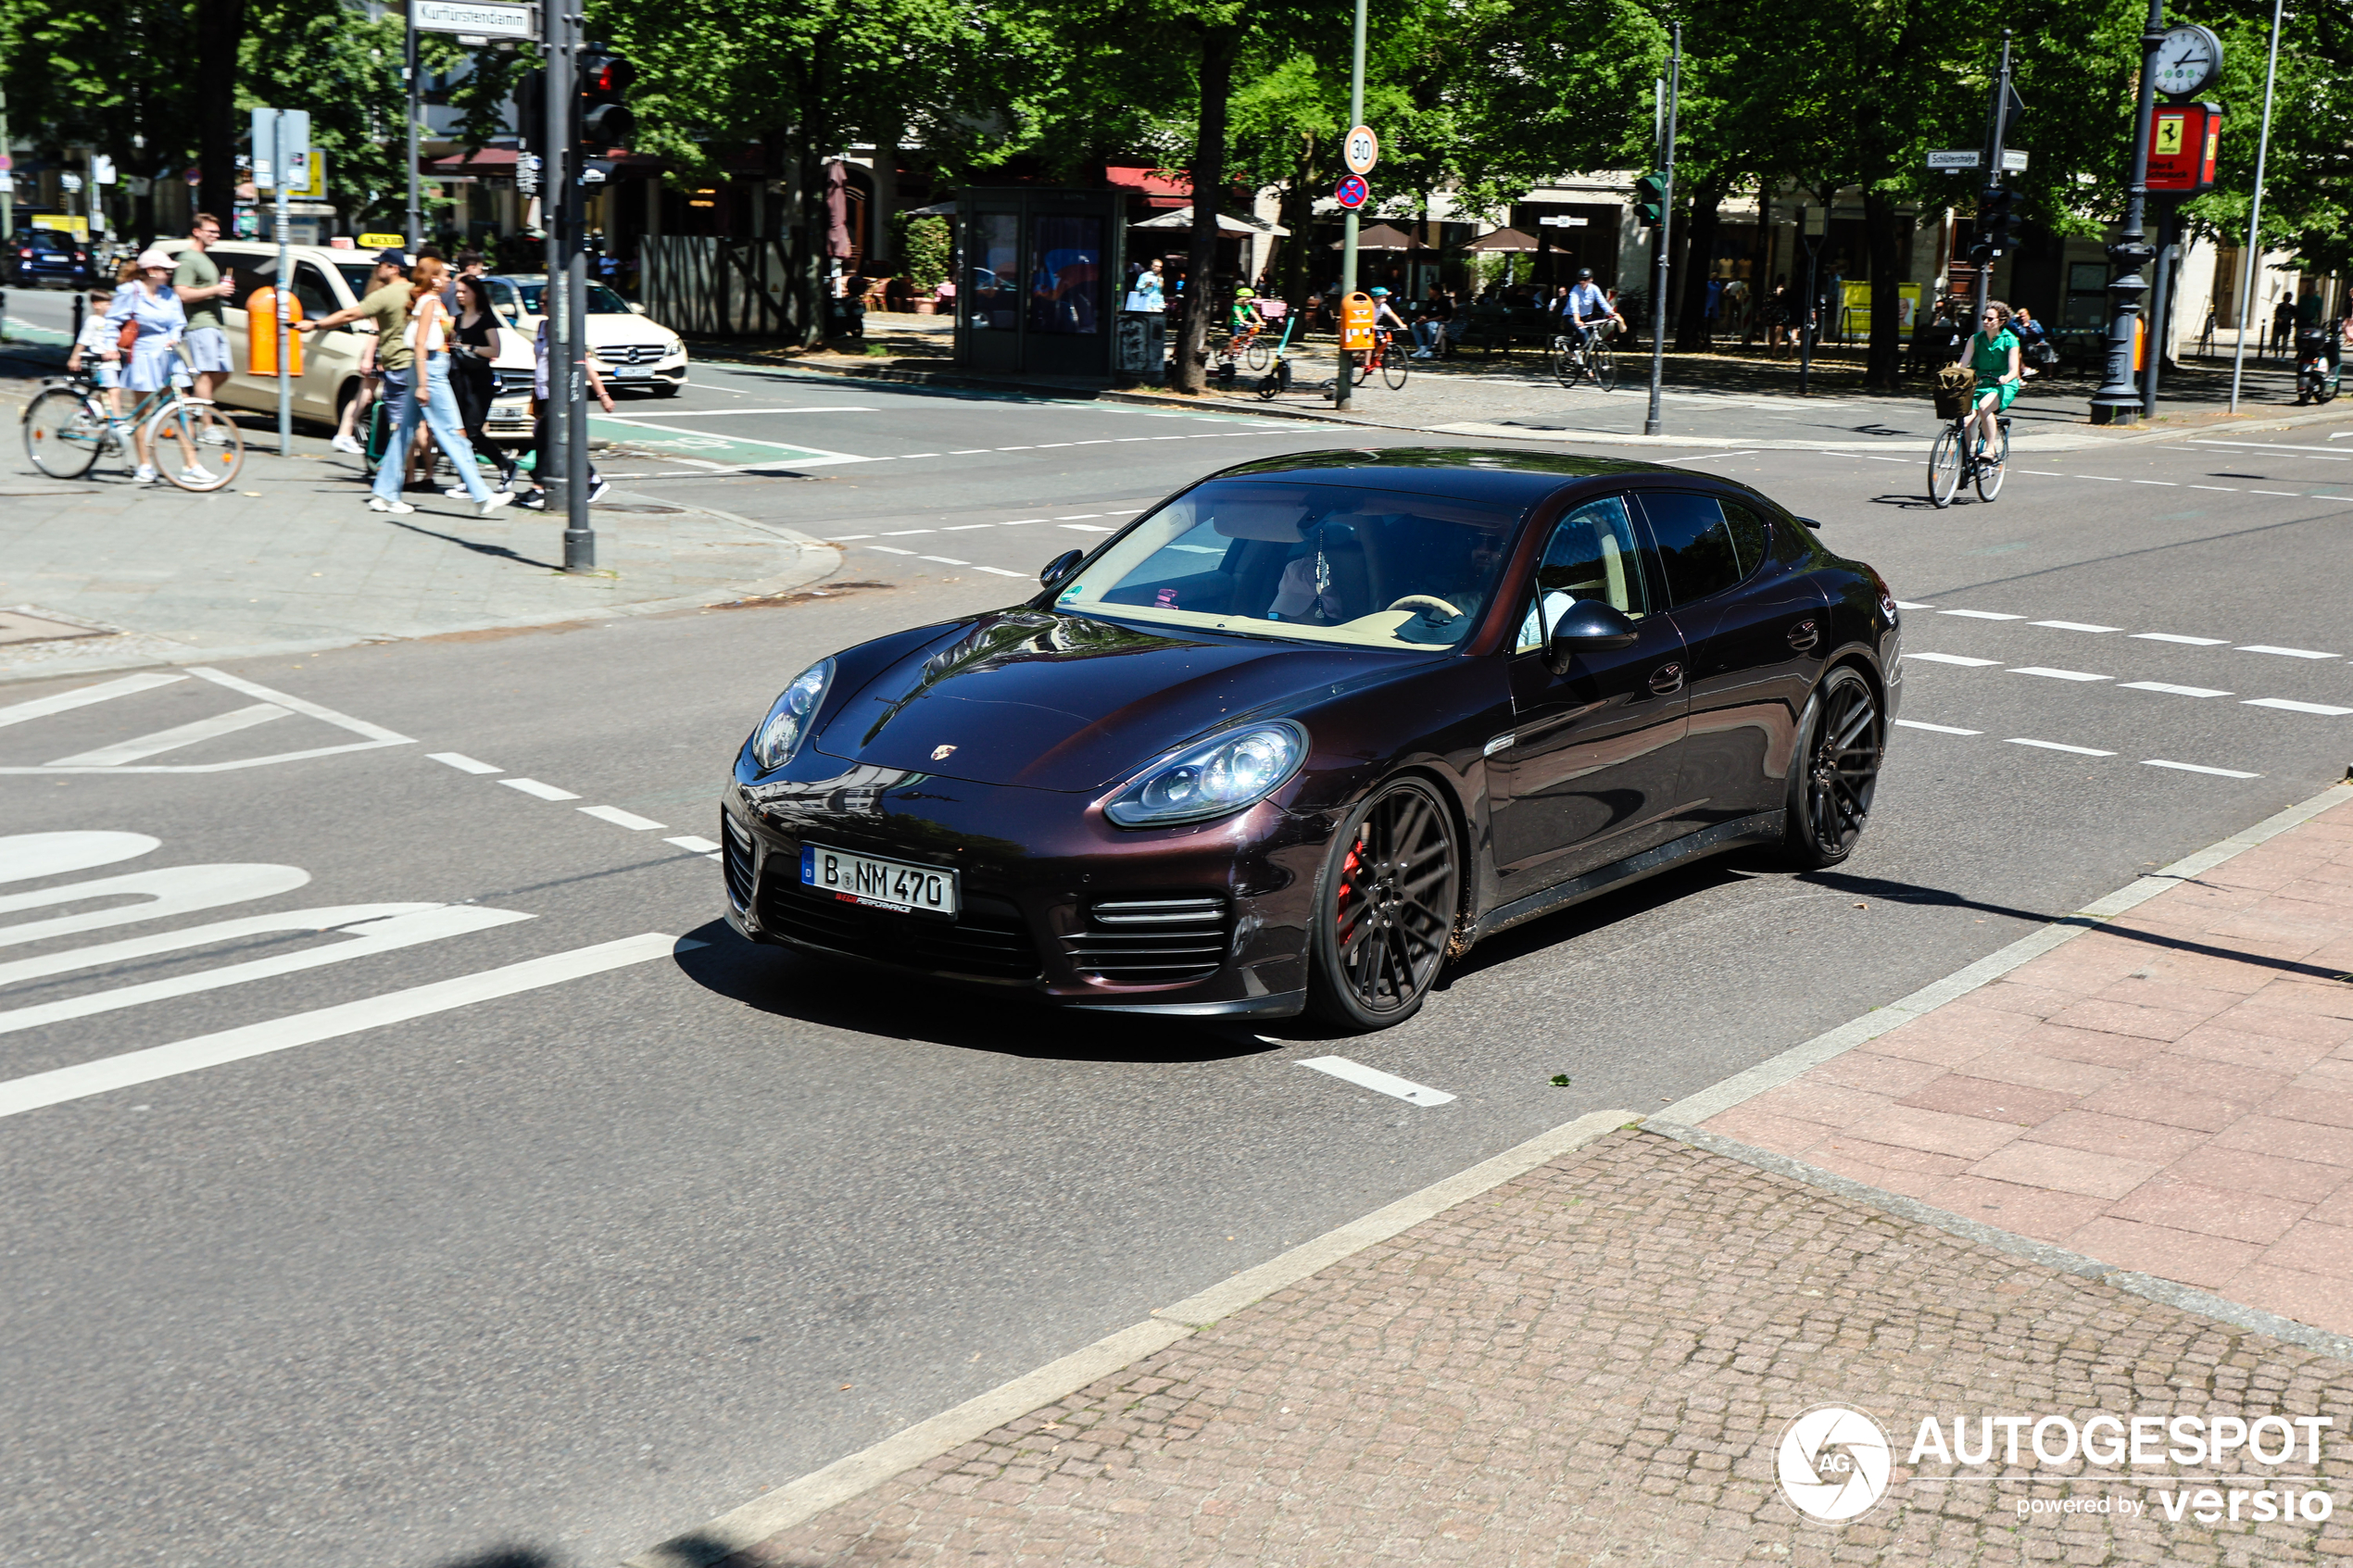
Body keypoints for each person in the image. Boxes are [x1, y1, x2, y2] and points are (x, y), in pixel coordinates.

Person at [359, 256, 512, 517]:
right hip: (431, 371)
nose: (450, 280)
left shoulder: (429, 302)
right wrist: (423, 384)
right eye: (445, 275)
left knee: (404, 432)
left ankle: (385, 494)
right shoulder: (430, 302)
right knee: (455, 433)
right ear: (433, 278)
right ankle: (482, 496)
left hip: (427, 370)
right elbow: (420, 344)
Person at [107, 247, 208, 486]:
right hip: (142, 355)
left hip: (169, 356)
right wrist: (109, 348)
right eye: (166, 269)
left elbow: (178, 322)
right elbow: (112, 322)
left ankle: (191, 465)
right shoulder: (129, 292)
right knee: (143, 412)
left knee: (182, 407)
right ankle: (144, 465)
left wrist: (174, 335)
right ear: (152, 271)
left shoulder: (168, 294)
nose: (170, 274)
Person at [516, 310, 615, 510]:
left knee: (547, 439)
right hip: (543, 392)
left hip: (562, 393)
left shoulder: (567, 329)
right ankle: (592, 479)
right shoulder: (542, 326)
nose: (544, 306)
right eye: (542, 302)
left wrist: (602, 394)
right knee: (554, 441)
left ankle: (541, 486)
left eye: (547, 302)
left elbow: (584, 364)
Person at [170, 212, 238, 441]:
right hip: (199, 324)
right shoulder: (188, 259)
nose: (215, 236)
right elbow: (181, 293)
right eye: (211, 231)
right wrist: (215, 290)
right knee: (206, 374)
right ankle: (206, 427)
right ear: (196, 232)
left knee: (223, 373)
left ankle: (192, 405)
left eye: (217, 232)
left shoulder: (203, 257)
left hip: (214, 323)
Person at [447, 272, 516, 493]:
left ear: (475, 293)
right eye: (457, 291)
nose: (459, 296)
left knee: (474, 430)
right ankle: (468, 479)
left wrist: (470, 348)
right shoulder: (456, 319)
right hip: (459, 380)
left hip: (480, 382)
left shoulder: (485, 318)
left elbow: (495, 349)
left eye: (463, 292)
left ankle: (506, 464)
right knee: (462, 432)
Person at [1964, 300, 2023, 459]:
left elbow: (2014, 370)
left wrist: (2006, 378)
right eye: (1984, 317)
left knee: (1984, 407)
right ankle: (1965, 459)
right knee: (1965, 422)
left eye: (1990, 319)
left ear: (2001, 321)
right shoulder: (1975, 339)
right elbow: (1963, 364)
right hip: (1979, 383)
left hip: (2001, 384)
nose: (1985, 321)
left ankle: (1990, 449)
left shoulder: (2010, 340)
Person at [67, 284, 126, 421]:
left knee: (104, 391)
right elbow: (83, 340)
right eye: (107, 304)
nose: (111, 307)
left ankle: (86, 412)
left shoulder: (111, 321)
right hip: (100, 361)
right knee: (114, 391)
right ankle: (118, 421)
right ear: (96, 305)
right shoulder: (93, 321)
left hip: (112, 362)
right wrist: (75, 358)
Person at [1562, 268, 1622, 349]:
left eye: (1585, 279)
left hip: (1586, 316)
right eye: (1580, 279)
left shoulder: (1594, 288)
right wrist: (1577, 320)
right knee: (1583, 333)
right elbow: (1574, 305)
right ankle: (1579, 356)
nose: (1582, 281)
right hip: (1571, 316)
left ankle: (1575, 351)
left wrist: (1613, 313)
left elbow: (1602, 302)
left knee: (1589, 334)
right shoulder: (1575, 290)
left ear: (1591, 279)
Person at [1410, 285, 1453, 358]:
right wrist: (1421, 319)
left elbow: (1442, 317)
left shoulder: (1444, 301)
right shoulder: (1431, 301)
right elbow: (1426, 313)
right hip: (1428, 321)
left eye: (1430, 290)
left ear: (1436, 291)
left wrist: (1427, 321)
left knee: (1431, 325)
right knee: (1414, 325)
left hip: (1440, 323)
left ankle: (1430, 349)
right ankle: (1421, 348)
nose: (1428, 292)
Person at [2009, 304, 2051, 378]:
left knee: (2048, 348)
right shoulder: (2017, 325)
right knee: (2035, 349)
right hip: (2026, 345)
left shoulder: (2034, 323)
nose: (2022, 318)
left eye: (2024, 316)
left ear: (2027, 315)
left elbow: (2042, 333)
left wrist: (2042, 341)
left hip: (2038, 343)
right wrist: (2014, 317)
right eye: (2020, 316)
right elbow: (2009, 323)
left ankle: (2049, 375)